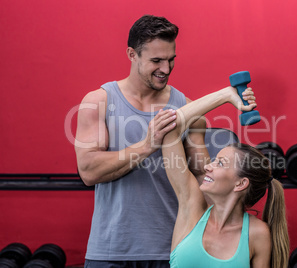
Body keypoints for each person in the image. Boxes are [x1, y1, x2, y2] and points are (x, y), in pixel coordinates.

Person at [74, 15, 209, 267]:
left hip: (174, 249)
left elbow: (204, 180)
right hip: (111, 250)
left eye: (171, 60)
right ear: (131, 54)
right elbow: (89, 171)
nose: (165, 69)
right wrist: (147, 145)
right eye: (156, 60)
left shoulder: (188, 109)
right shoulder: (99, 101)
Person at [161, 86, 290, 268]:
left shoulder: (257, 234)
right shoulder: (192, 207)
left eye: (220, 163)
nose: (207, 166)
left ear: (241, 183)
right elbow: (169, 128)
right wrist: (226, 95)